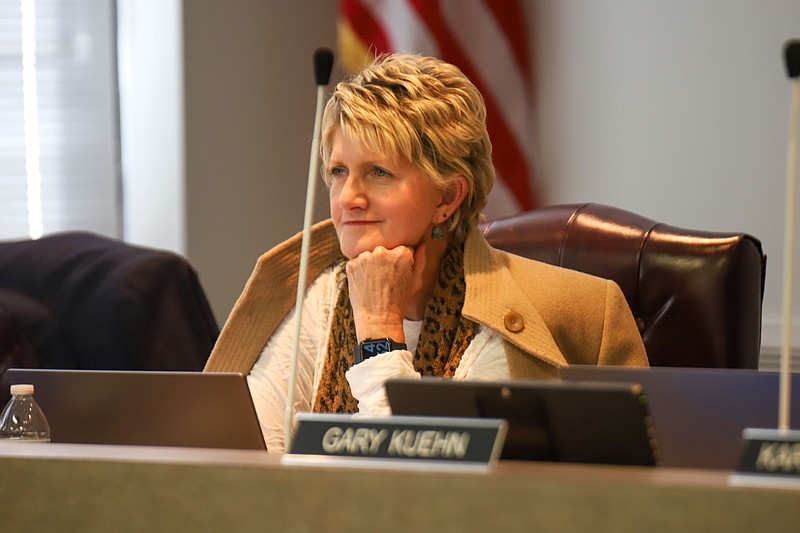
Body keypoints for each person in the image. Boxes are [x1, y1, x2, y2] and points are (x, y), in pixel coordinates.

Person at [204, 53, 648, 453]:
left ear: (447, 198)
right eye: (339, 171)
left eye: (378, 172)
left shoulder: (530, 318)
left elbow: (424, 494)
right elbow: (250, 460)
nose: (348, 198)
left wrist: (378, 328)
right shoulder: (318, 295)